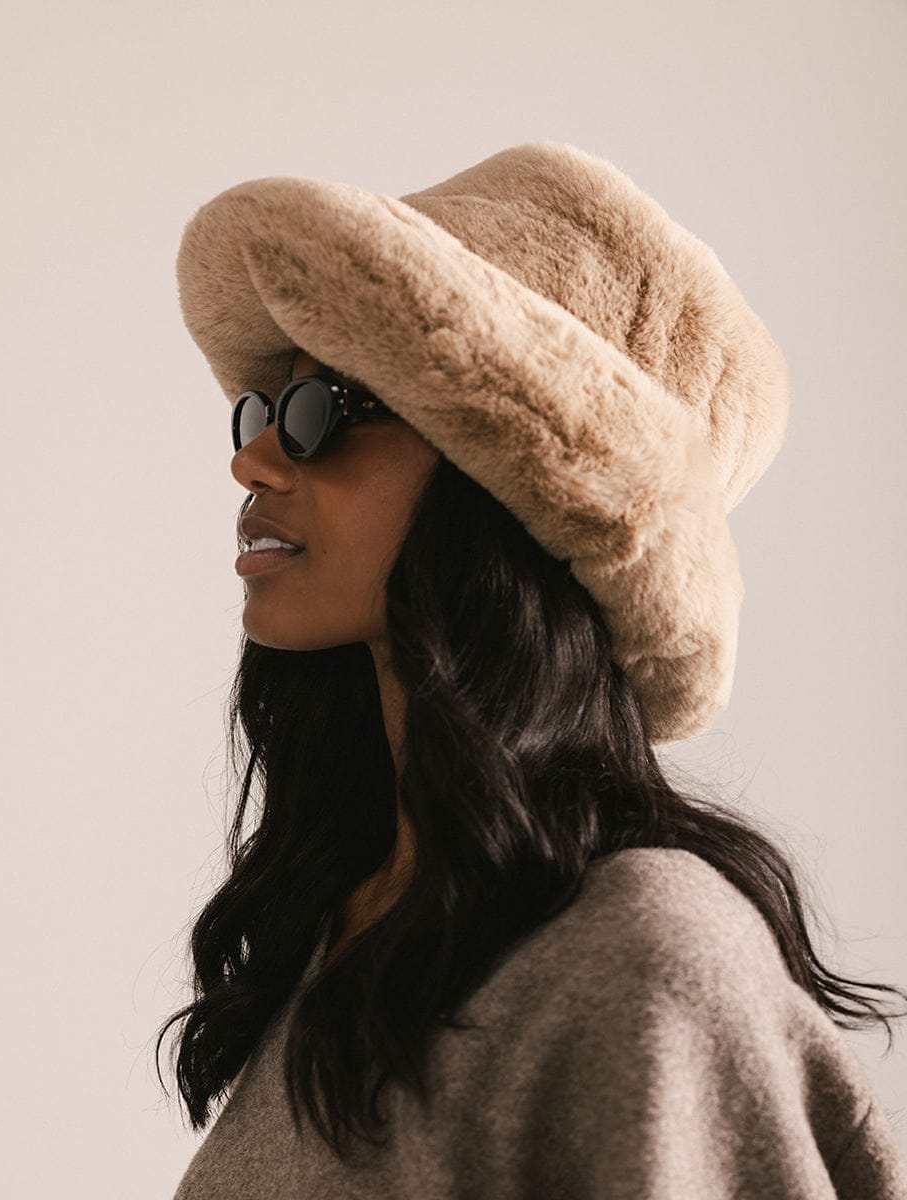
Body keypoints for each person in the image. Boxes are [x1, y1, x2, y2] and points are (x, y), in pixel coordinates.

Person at [158, 141, 907, 1198]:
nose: (252, 459)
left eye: (326, 411)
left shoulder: (642, 946)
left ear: (510, 487)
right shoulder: (353, 928)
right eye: (263, 413)